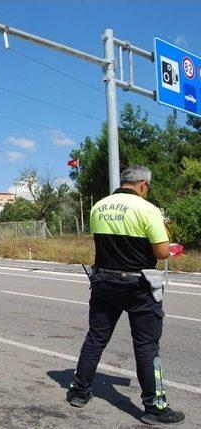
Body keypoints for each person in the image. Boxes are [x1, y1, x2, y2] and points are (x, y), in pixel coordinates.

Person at [67, 165, 185, 425]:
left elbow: (100, 245)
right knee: (146, 345)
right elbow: (163, 252)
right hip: (138, 286)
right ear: (143, 184)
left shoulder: (99, 206)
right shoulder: (148, 209)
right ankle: (154, 407)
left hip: (103, 282)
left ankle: (79, 392)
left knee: (96, 338)